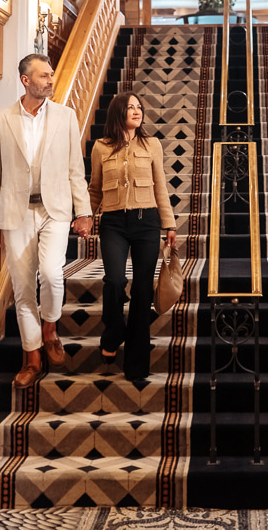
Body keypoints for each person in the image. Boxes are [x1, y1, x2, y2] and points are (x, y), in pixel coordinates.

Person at [0, 53, 93, 388]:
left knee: (50, 273)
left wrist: (84, 211)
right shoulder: (1, 120)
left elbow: (76, 168)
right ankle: (31, 356)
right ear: (25, 80)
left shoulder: (66, 116)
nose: (50, 80)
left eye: (51, 75)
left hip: (55, 208)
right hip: (15, 212)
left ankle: (50, 329)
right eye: (43, 75)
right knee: (22, 286)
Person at [89, 91, 176, 382]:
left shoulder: (152, 144)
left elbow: (160, 186)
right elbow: (95, 189)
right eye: (130, 107)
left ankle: (137, 361)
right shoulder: (101, 147)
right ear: (118, 112)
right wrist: (87, 217)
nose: (137, 112)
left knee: (141, 290)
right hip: (113, 222)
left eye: (140, 107)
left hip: (146, 221)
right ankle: (113, 331)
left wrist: (170, 225)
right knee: (114, 280)